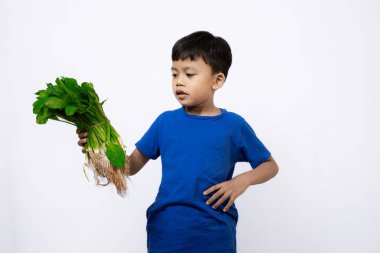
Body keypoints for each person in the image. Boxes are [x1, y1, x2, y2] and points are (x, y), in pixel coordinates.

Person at [77, 31, 279, 253]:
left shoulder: (234, 125)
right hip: (166, 232)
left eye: (189, 74)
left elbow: (270, 166)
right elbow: (131, 166)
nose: (179, 82)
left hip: (215, 234)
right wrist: (100, 148)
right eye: (174, 74)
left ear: (217, 80)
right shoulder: (166, 122)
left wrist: (242, 181)